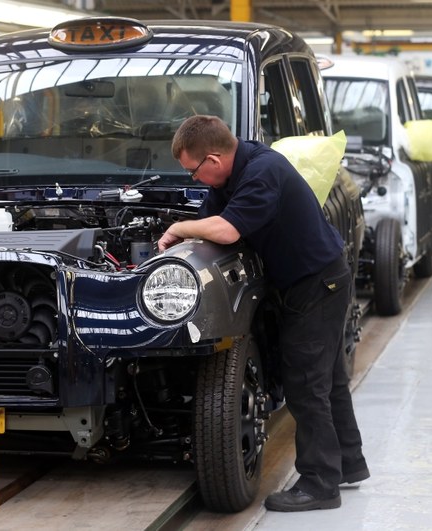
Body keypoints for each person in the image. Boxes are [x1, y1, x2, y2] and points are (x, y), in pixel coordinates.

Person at [157, 115, 369, 512]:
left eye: (193, 172)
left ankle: (321, 484)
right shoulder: (230, 174)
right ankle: (348, 464)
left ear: (214, 159)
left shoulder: (262, 171)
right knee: (329, 379)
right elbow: (212, 218)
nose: (194, 180)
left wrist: (180, 229)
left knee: (306, 384)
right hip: (315, 278)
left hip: (317, 284)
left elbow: (227, 231)